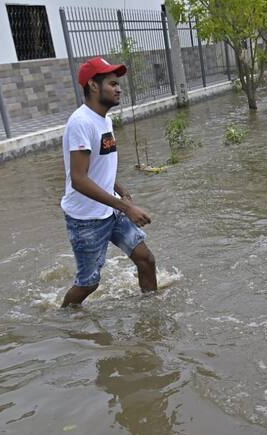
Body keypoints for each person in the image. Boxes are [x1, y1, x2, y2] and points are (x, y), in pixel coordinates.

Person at [60, 57, 157, 307]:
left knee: (146, 259)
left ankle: (152, 315)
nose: (119, 88)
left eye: (118, 83)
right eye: (112, 83)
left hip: (110, 210)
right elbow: (79, 180)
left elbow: (99, 164)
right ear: (93, 85)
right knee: (88, 283)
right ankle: (63, 319)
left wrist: (118, 187)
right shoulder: (81, 123)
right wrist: (127, 207)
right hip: (86, 219)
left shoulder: (104, 119)